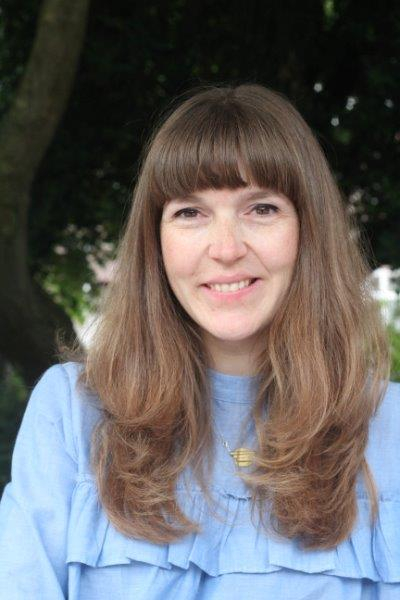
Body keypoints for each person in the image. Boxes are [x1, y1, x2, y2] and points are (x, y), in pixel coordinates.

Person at [0, 83, 399, 600]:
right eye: (189, 212)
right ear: (156, 242)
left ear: (309, 231)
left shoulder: (390, 429)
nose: (226, 249)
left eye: (261, 208)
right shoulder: (72, 415)